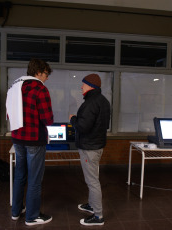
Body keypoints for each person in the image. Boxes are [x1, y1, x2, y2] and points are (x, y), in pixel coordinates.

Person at [6, 58, 54, 226]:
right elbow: (48, 119)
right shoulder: (40, 89)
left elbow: (9, 115)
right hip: (34, 140)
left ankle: (16, 211)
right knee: (35, 179)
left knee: (20, 175)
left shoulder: (14, 87)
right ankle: (32, 217)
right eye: (46, 74)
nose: (47, 78)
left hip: (17, 138)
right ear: (38, 72)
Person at [69, 73, 111, 226]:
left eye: (83, 84)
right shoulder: (104, 101)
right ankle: (92, 205)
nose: (81, 86)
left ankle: (98, 216)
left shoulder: (90, 103)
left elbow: (82, 127)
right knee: (92, 179)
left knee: (92, 181)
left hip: (89, 148)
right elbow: (102, 125)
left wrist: (73, 119)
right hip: (97, 146)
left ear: (91, 85)